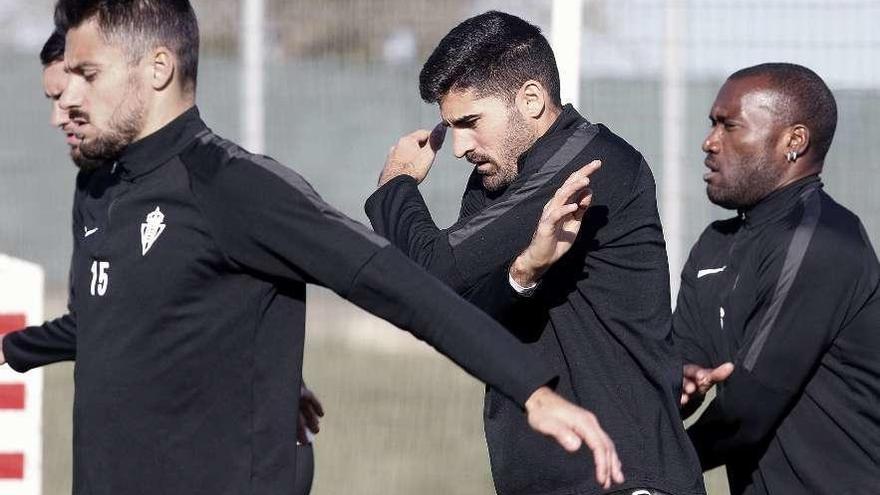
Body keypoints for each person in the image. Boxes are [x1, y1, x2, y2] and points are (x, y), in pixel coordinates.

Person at [0, 1, 625, 494]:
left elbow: (397, 286)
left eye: (86, 74)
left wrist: (530, 388)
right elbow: (114, 321)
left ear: (158, 69)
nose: (68, 99)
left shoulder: (235, 186)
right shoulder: (99, 188)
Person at [366, 11, 704, 495]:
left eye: (470, 122)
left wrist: (396, 187)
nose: (459, 146)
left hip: (624, 477)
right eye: (450, 127)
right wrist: (522, 273)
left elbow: (434, 270)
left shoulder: (589, 163)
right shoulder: (494, 181)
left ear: (530, 99)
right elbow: (451, 309)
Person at [38, 25, 325, 495]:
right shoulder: (94, 190)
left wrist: (268, 387)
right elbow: (111, 321)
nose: (62, 115)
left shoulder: (215, 183)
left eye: (78, 89)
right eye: (55, 98)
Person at [674, 63, 880, 494]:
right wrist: (675, 378)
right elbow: (680, 357)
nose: (709, 142)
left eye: (730, 126)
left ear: (794, 141)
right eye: (712, 124)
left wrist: (644, 466)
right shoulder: (715, 244)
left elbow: (746, 412)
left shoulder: (823, 242)